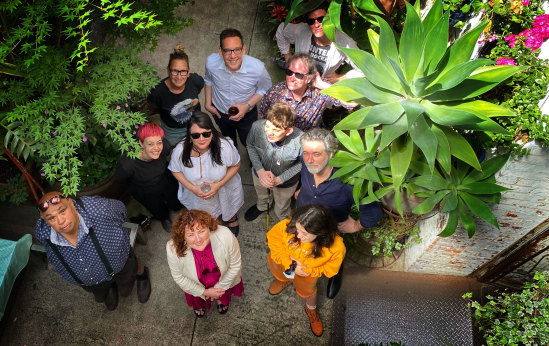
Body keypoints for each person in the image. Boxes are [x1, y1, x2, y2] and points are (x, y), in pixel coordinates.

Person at [296, 128, 383, 298]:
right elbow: (304, 173)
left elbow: (374, 213)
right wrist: (302, 188)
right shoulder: (307, 163)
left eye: (316, 154)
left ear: (331, 155)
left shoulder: (348, 182)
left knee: (333, 252)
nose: (309, 159)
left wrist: (356, 225)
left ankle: (335, 273)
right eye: (306, 153)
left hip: (329, 230)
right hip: (302, 218)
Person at [34, 192, 151, 311]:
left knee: (129, 278)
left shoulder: (97, 209)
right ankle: (110, 287)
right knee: (101, 294)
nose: (60, 221)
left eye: (62, 211)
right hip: (91, 283)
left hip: (121, 265)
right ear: (44, 219)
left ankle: (142, 274)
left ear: (71, 203)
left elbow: (121, 210)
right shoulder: (42, 232)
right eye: (51, 218)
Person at [267, 204, 345, 337]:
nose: (299, 235)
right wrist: (288, 263)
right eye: (297, 230)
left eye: (305, 233)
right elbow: (274, 239)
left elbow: (331, 269)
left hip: (306, 275)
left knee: (308, 292)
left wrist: (310, 271)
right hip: (282, 263)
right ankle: (285, 281)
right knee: (281, 275)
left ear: (320, 233)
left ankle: (311, 309)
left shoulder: (336, 246)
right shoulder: (289, 225)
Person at [168, 112, 244, 236]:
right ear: (190, 136)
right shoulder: (180, 151)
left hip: (224, 187)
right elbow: (175, 170)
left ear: (212, 132)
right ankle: (211, 222)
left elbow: (236, 164)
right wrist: (192, 188)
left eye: (206, 134)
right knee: (203, 214)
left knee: (227, 205)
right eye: (196, 135)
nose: (201, 139)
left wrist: (218, 185)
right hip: (196, 194)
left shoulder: (224, 146)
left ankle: (231, 218)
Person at [166, 209, 243, 318]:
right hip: (196, 284)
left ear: (209, 227)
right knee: (198, 297)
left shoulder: (225, 235)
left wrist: (219, 289)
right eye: (190, 234)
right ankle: (200, 303)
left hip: (222, 280)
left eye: (201, 231)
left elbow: (235, 265)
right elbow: (178, 277)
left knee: (221, 294)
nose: (197, 239)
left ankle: (220, 298)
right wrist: (204, 292)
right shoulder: (172, 249)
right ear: (183, 235)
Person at [204, 28, 272, 147]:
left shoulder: (258, 68)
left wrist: (247, 106)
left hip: (247, 115)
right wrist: (208, 104)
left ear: (243, 49)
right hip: (221, 113)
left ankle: (253, 162)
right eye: (227, 51)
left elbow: (265, 88)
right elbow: (208, 80)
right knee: (229, 143)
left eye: (237, 50)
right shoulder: (211, 63)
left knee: (249, 143)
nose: (233, 56)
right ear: (220, 52)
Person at [258, 53, 353, 131]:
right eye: (289, 72)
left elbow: (352, 103)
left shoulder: (319, 91)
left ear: (309, 78)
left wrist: (323, 85)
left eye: (299, 75)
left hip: (306, 143)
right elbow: (263, 118)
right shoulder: (274, 93)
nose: (292, 78)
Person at [115, 123, 182, 232]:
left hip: (164, 176)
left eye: (158, 142)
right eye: (150, 144)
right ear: (141, 143)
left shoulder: (164, 147)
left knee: (174, 198)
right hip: (144, 187)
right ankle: (164, 218)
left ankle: (175, 206)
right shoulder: (128, 163)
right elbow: (120, 177)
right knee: (155, 206)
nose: (156, 148)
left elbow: (165, 152)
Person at [275, 3, 363, 83]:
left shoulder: (344, 42)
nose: (316, 25)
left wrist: (341, 77)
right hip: (298, 82)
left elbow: (364, 68)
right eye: (311, 21)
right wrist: (288, 57)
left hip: (321, 87)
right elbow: (282, 29)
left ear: (330, 19)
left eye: (321, 19)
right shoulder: (302, 31)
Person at [245, 103, 302, 222]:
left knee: (282, 203)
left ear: (288, 131)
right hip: (259, 174)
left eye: (276, 130)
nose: (269, 133)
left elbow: (304, 163)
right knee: (262, 194)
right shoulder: (257, 127)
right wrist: (260, 171)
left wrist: (281, 179)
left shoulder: (301, 139)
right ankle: (262, 206)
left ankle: (282, 215)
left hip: (286, 183)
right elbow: (250, 146)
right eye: (267, 126)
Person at [148, 44, 204, 146]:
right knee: (173, 150)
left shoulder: (195, 81)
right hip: (172, 131)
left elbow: (196, 92)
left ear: (188, 72)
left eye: (183, 71)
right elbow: (152, 109)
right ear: (168, 70)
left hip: (195, 123)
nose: (179, 76)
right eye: (174, 71)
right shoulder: (157, 92)